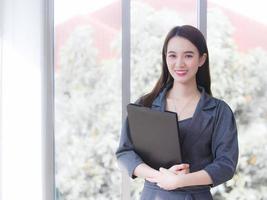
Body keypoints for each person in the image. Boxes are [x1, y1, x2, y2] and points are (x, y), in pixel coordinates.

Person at [116, 25, 239, 200]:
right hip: (154, 195)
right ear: (165, 58)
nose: (179, 63)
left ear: (202, 59)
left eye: (188, 56)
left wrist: (180, 181)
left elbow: (226, 165)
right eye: (172, 55)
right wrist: (160, 177)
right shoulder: (145, 104)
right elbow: (125, 153)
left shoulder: (220, 111)